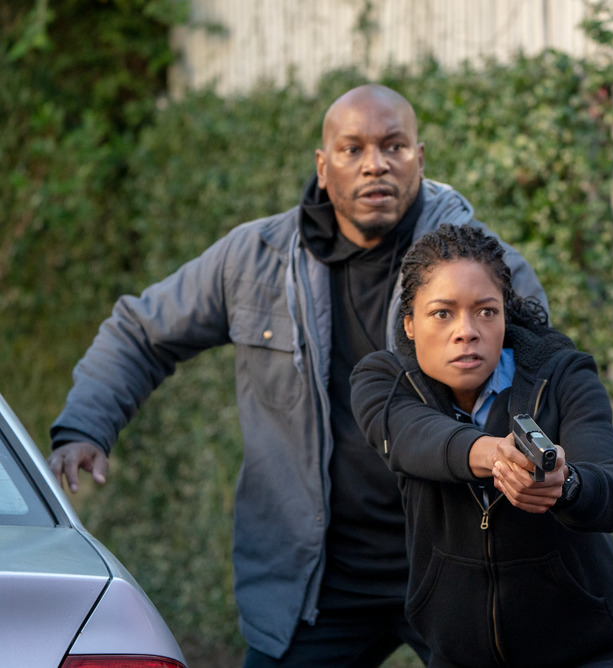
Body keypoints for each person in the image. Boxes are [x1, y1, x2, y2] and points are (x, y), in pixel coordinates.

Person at [46, 84, 548, 667]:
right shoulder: (255, 258)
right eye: (352, 149)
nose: (375, 164)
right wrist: (85, 426)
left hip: (455, 559)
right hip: (316, 581)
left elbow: (546, 384)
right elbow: (142, 330)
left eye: (393, 146)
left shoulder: (485, 268)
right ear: (323, 166)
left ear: (419, 158)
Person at [350, 224, 613, 668]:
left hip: (592, 654)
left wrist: (567, 485)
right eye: (442, 313)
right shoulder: (384, 382)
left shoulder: (564, 375)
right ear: (409, 323)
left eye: (486, 312)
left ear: (505, 316)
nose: (466, 331)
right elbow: (414, 436)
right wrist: (492, 454)